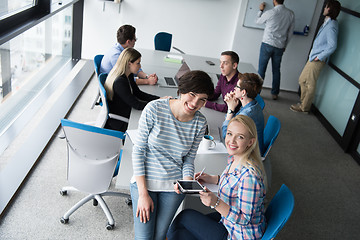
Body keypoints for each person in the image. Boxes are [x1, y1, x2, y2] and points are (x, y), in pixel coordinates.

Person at [130, 70, 214, 240]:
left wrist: (187, 181)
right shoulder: (154, 109)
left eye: (202, 100)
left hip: (173, 188)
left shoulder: (200, 122)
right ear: (182, 90)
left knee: (160, 236)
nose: (195, 103)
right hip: (146, 183)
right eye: (192, 95)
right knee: (144, 237)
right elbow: (138, 151)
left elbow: (189, 158)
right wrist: (143, 194)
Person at [167, 115, 267, 240]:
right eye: (230, 134)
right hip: (227, 223)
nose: (232, 141)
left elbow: (245, 219)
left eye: (240, 137)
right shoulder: (236, 158)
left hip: (238, 234)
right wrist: (213, 179)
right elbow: (235, 184)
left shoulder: (250, 177)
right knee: (179, 233)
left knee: (184, 217)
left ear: (250, 142)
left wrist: (216, 203)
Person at [290, 0, 341, 113]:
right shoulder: (328, 22)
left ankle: (304, 107)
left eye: (326, 7)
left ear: (330, 9)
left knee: (309, 83)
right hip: (314, 57)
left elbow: (332, 46)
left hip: (317, 59)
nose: (324, 8)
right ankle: (303, 104)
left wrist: (320, 57)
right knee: (302, 80)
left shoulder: (332, 25)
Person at [104, 48, 163, 132]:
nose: (140, 66)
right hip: (121, 119)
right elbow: (137, 105)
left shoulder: (128, 75)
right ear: (129, 64)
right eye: (138, 63)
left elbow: (138, 93)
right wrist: (157, 104)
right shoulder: (120, 82)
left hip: (128, 110)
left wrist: (159, 99)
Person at [256, 0, 295, 100]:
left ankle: (257, 92)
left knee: (261, 70)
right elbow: (290, 33)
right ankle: (275, 93)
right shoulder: (290, 14)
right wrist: (285, 45)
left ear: (274, 1)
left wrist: (261, 10)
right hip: (280, 46)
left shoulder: (270, 12)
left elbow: (258, 21)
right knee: (276, 70)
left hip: (267, 44)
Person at [222, 73, 265, 155]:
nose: (234, 88)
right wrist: (233, 104)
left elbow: (226, 136)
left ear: (243, 92)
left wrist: (230, 109)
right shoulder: (254, 104)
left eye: (237, 87)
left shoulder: (246, 114)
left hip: (249, 153)